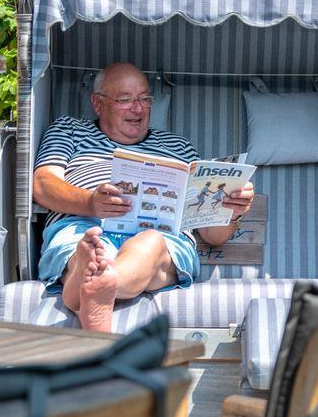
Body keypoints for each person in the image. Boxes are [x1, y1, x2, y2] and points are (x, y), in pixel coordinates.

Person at [32, 62, 254, 331]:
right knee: (88, 244)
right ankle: (94, 273)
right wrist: (90, 202)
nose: (138, 109)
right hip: (85, 225)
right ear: (98, 103)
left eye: (145, 99)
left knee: (150, 241)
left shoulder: (178, 146)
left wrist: (233, 210)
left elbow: (212, 235)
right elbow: (43, 184)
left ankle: (99, 279)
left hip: (159, 236)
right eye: (125, 100)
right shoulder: (68, 129)